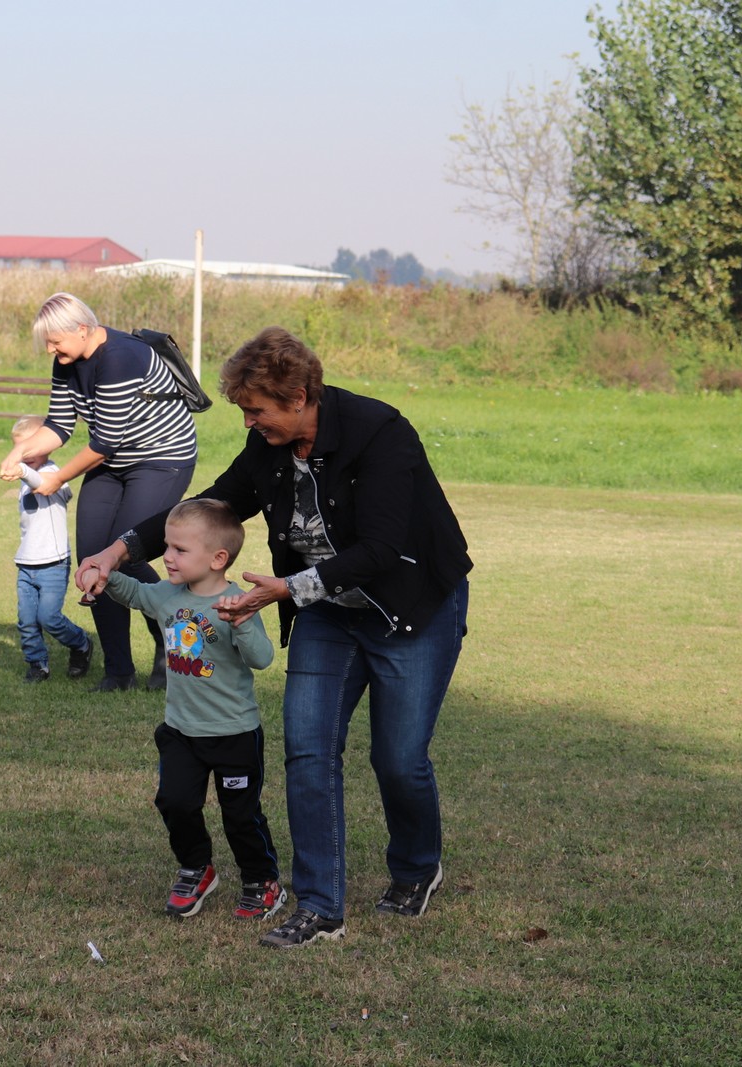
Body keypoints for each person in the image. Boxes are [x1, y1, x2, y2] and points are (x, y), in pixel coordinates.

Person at [77, 326, 472, 949]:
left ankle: (418, 867)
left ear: (299, 396)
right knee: (309, 753)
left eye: (256, 410)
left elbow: (381, 548)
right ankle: (319, 907)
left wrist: (287, 590)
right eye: (243, 411)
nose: (249, 423)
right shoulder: (267, 448)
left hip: (409, 609)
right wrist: (115, 550)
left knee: (397, 759)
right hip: (325, 614)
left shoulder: (380, 434)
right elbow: (211, 504)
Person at [80, 499, 282, 921]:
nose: (167, 557)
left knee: (240, 815)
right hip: (181, 732)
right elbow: (136, 592)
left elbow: (262, 659)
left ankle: (262, 881)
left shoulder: (238, 602)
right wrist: (105, 575)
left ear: (217, 558)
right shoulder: (167, 595)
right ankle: (196, 868)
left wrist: (242, 622)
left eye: (179, 550)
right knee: (175, 802)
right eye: (167, 547)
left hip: (233, 734)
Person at [0, 292, 198, 693]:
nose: (51, 350)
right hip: (113, 462)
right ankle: (118, 671)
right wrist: (19, 454)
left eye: (55, 341)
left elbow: (105, 439)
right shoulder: (66, 362)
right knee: (95, 560)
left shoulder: (121, 358)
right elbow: (58, 424)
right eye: (47, 343)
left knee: (124, 553)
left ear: (83, 329)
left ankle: (169, 641)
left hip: (161, 459)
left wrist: (56, 480)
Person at [7, 416, 95, 683]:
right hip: (26, 563)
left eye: (29, 449)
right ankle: (37, 665)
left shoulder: (56, 475)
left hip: (53, 564)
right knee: (26, 620)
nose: (24, 456)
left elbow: (43, 483)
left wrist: (22, 471)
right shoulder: (27, 477)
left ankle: (81, 643)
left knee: (49, 618)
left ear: (47, 445)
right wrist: (21, 470)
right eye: (19, 450)